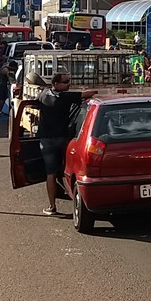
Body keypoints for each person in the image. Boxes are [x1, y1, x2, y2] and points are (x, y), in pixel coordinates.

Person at [36, 73, 96, 215]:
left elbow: (36, 101)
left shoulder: (44, 94)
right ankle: (71, 194)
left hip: (45, 140)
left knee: (50, 173)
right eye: (65, 82)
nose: (68, 84)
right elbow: (88, 94)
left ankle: (52, 206)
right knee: (67, 167)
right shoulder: (66, 97)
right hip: (62, 139)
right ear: (56, 84)